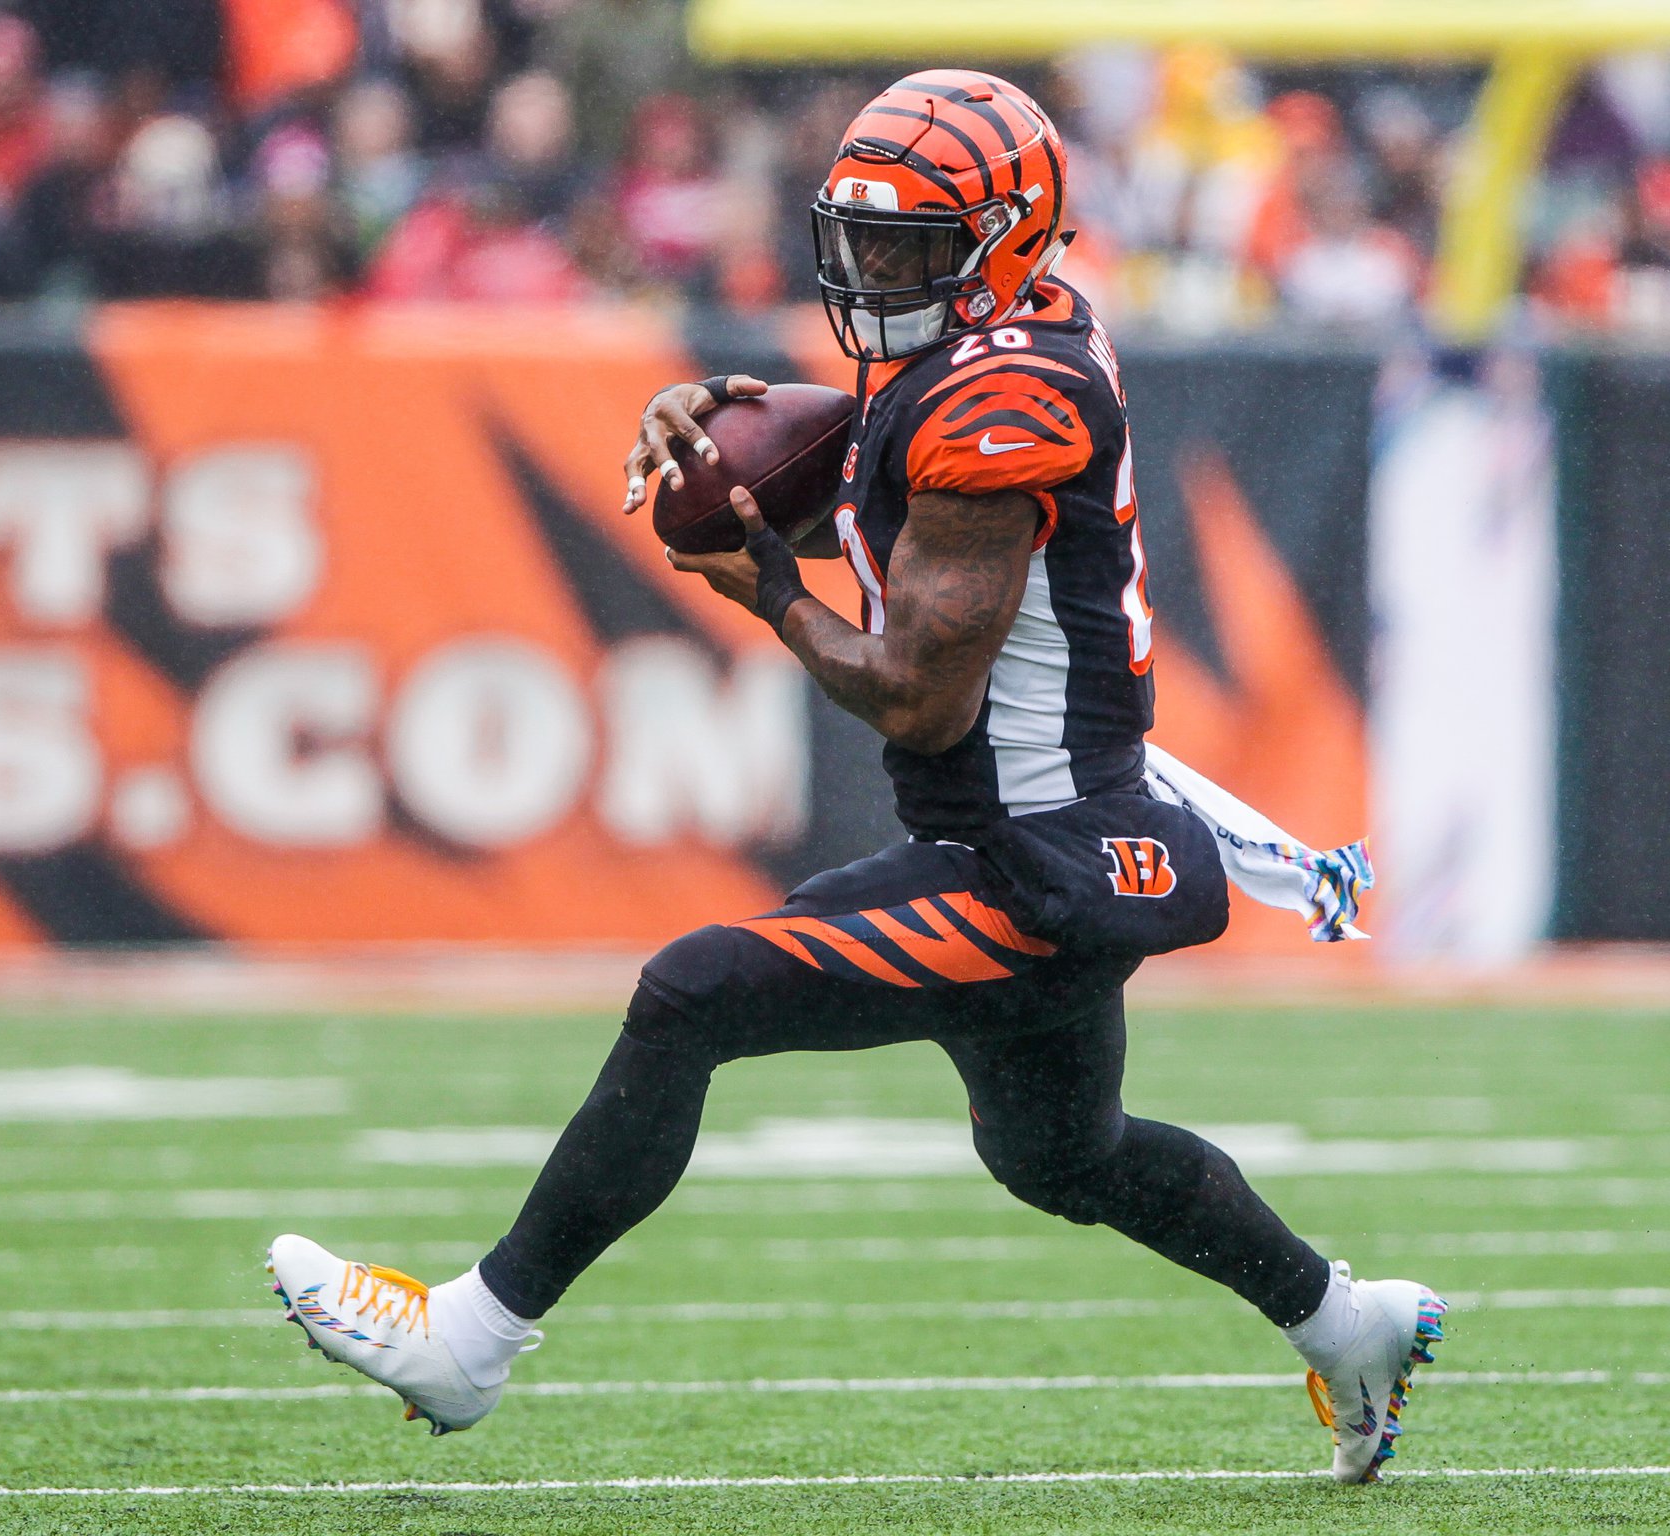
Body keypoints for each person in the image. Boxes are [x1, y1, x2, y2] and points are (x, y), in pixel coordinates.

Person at [267, 69, 1444, 1487]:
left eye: (912, 247)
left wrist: (764, 579)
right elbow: (894, 472)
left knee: (691, 992)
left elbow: (914, 687)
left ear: (1002, 241)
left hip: (1030, 858)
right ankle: (1348, 1321)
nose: (879, 273)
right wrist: (724, 428)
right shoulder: (1000, 335)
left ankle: (474, 1337)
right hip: (1063, 828)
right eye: (865, 241)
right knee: (1063, 1154)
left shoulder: (1011, 391)